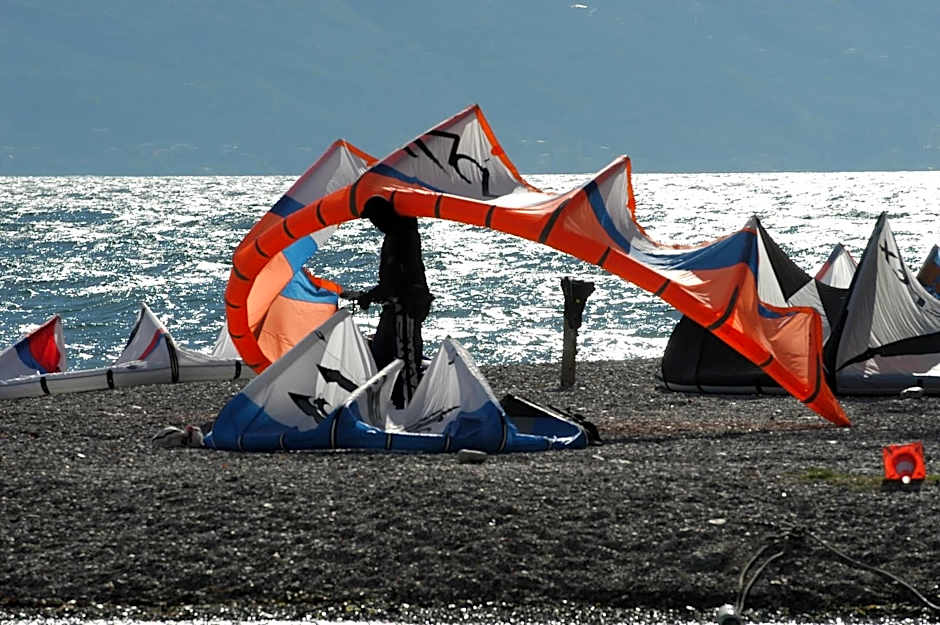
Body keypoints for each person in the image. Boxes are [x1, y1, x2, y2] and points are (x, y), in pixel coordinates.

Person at [357, 197, 434, 408]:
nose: (374, 224)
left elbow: (396, 281)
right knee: (381, 354)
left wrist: (370, 296)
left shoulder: (402, 236)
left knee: (406, 358)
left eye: (374, 218)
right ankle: (390, 402)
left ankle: (411, 407)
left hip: (405, 307)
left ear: (383, 216)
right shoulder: (396, 234)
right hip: (394, 307)